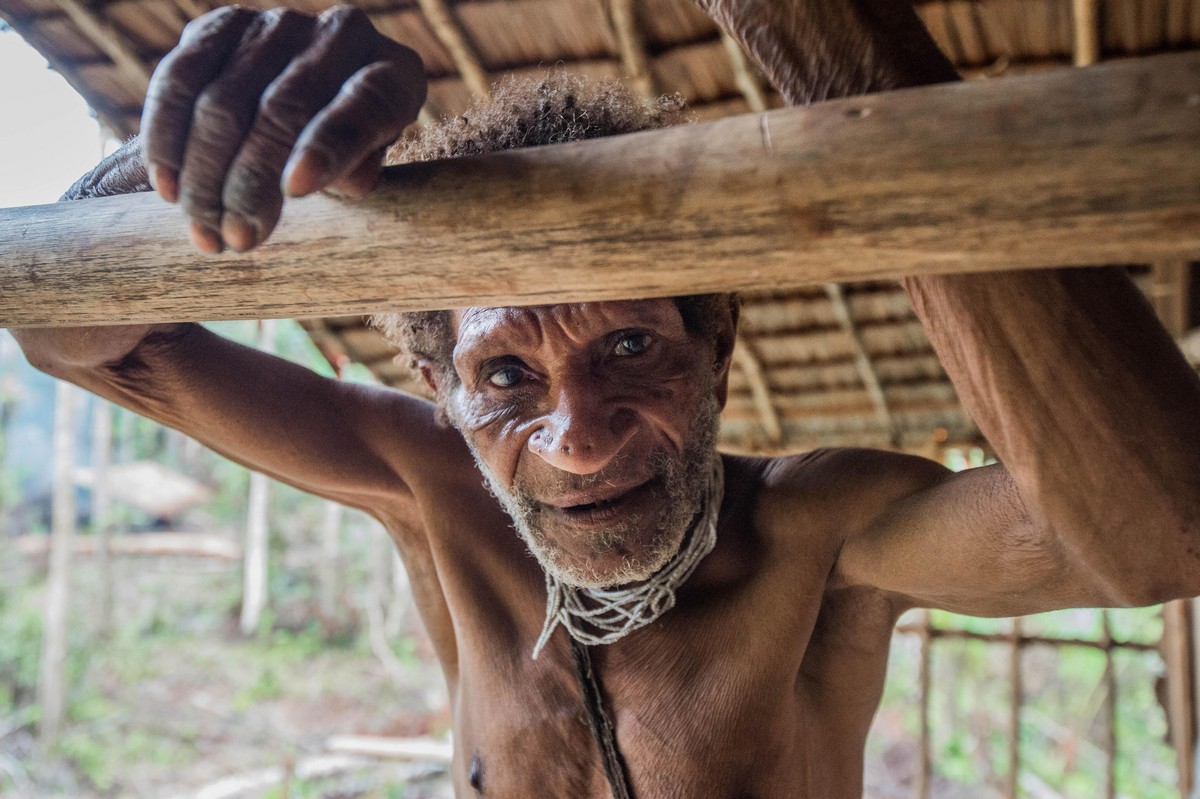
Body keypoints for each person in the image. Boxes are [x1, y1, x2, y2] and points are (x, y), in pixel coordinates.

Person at [13, 1, 1200, 796]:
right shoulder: (430, 484)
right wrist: (207, 173)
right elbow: (70, 339)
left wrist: (814, 26)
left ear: (717, 344)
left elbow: (1159, 530)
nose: (576, 441)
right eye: (506, 376)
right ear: (438, 385)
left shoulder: (820, 536)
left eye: (630, 344)